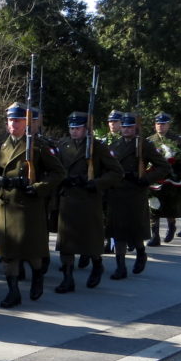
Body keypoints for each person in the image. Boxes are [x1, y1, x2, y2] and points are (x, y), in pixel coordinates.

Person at [0, 102, 64, 308]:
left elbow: (58, 172)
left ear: (26, 123)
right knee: (8, 254)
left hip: (29, 205)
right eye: (10, 120)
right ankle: (13, 292)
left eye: (17, 120)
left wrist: (39, 187)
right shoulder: (1, 146)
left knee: (32, 251)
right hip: (6, 205)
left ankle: (37, 277)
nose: (13, 124)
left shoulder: (38, 146)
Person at [54, 111, 123, 292]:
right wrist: (62, 181)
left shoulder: (97, 147)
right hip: (68, 198)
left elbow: (116, 172)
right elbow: (55, 169)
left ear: (86, 129)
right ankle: (67, 278)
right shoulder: (62, 144)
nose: (74, 131)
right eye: (71, 128)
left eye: (78, 128)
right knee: (66, 243)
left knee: (90, 239)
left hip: (88, 198)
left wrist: (96, 183)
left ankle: (97, 264)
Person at [105, 113, 171, 279]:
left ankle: (141, 253)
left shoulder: (144, 145)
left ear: (136, 127)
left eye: (129, 127)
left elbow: (163, 167)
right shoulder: (114, 145)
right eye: (124, 127)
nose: (126, 130)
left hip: (135, 191)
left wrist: (145, 179)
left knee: (135, 230)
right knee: (118, 232)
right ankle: (120, 267)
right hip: (117, 192)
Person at [146, 113, 181, 245]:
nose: (160, 126)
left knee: (170, 206)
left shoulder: (177, 140)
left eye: (163, 124)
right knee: (154, 207)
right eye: (158, 124)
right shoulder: (149, 140)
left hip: (171, 179)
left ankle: (171, 226)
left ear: (168, 125)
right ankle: (155, 236)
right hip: (155, 178)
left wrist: (179, 173)